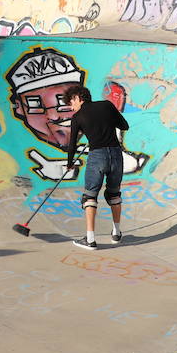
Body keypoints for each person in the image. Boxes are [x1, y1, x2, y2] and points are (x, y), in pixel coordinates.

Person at [64, 84, 129, 249]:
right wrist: (106, 124)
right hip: (115, 154)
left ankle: (90, 239)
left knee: (90, 197)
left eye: (71, 103)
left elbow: (72, 145)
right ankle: (116, 232)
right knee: (114, 194)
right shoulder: (106, 105)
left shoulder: (77, 117)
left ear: (78, 97)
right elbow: (124, 126)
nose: (71, 107)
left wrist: (70, 163)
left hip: (97, 156)